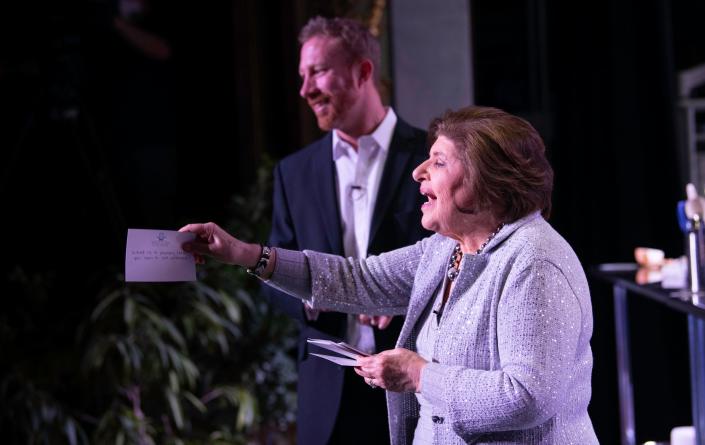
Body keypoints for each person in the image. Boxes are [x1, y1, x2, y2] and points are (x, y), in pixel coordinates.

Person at [181, 106, 599, 444]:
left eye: (437, 162)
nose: (418, 172)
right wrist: (244, 254)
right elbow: (356, 280)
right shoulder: (444, 249)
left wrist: (419, 375)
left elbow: (526, 397)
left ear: (483, 181)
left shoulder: (534, 263)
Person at [261, 16, 430, 445]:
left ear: (362, 71)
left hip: (417, 382)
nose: (305, 90)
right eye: (302, 76)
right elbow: (271, 277)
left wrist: (402, 299)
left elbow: (458, 257)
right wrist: (317, 298)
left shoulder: (432, 157)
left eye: (317, 71)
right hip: (326, 390)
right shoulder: (293, 173)